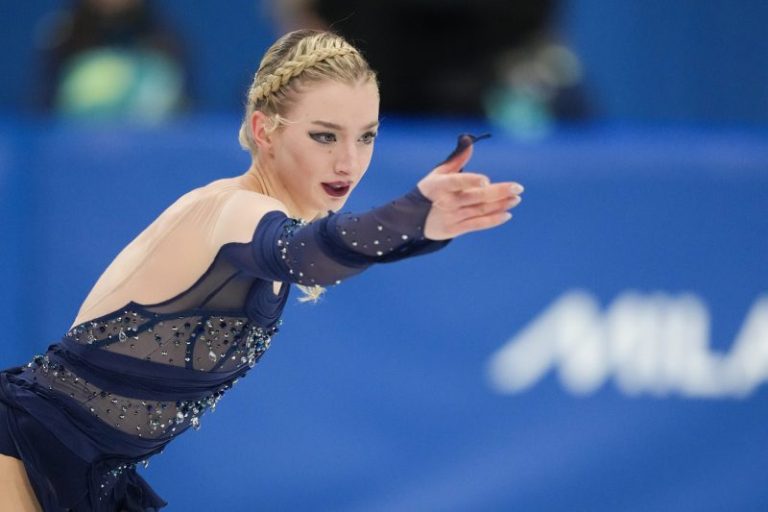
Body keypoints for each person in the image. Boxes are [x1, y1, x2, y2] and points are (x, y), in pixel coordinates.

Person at [0, 29, 524, 511]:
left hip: (91, 471)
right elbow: (310, 255)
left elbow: (329, 250)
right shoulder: (234, 210)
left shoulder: (266, 219)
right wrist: (410, 215)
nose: (348, 161)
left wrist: (423, 227)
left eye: (366, 136)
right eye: (324, 136)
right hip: (26, 448)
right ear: (264, 130)